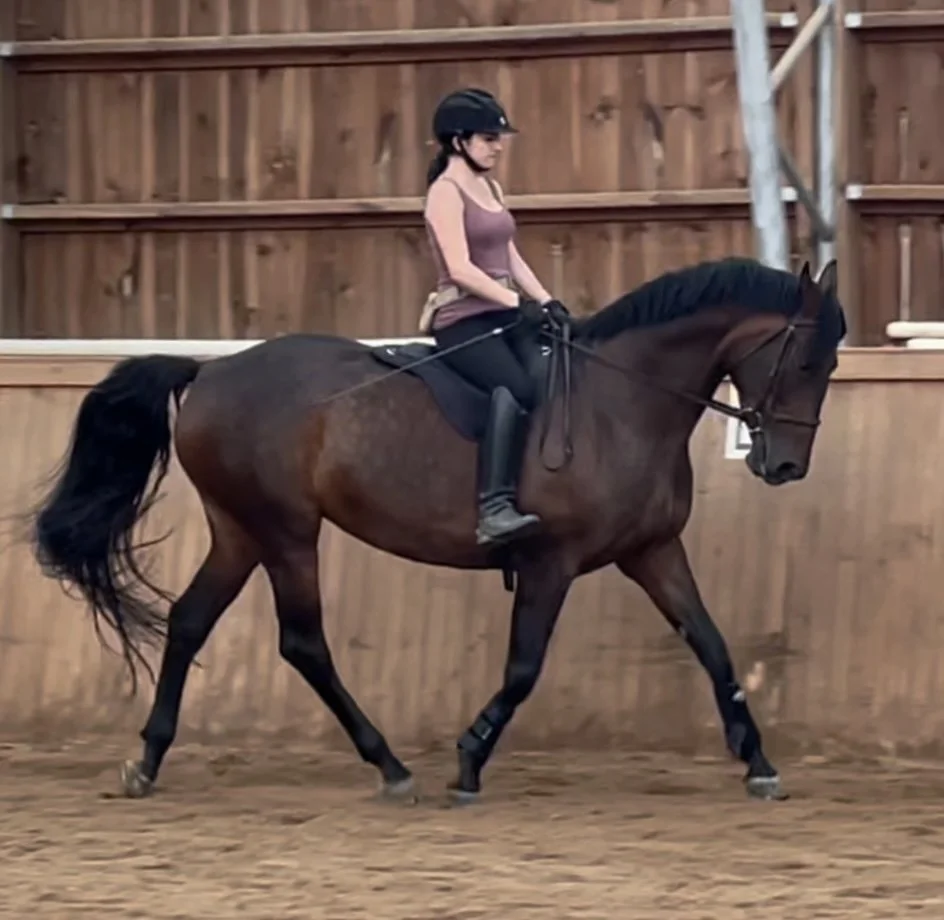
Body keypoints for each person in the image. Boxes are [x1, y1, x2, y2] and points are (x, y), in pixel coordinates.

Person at [422, 87, 571, 548]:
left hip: (504, 315)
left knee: (556, 370)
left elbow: (508, 253)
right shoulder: (443, 194)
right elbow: (463, 269)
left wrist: (545, 300)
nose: (498, 146)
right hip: (463, 320)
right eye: (489, 138)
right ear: (458, 141)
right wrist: (514, 305)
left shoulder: (488, 187)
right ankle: (494, 508)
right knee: (515, 387)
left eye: (498, 138)